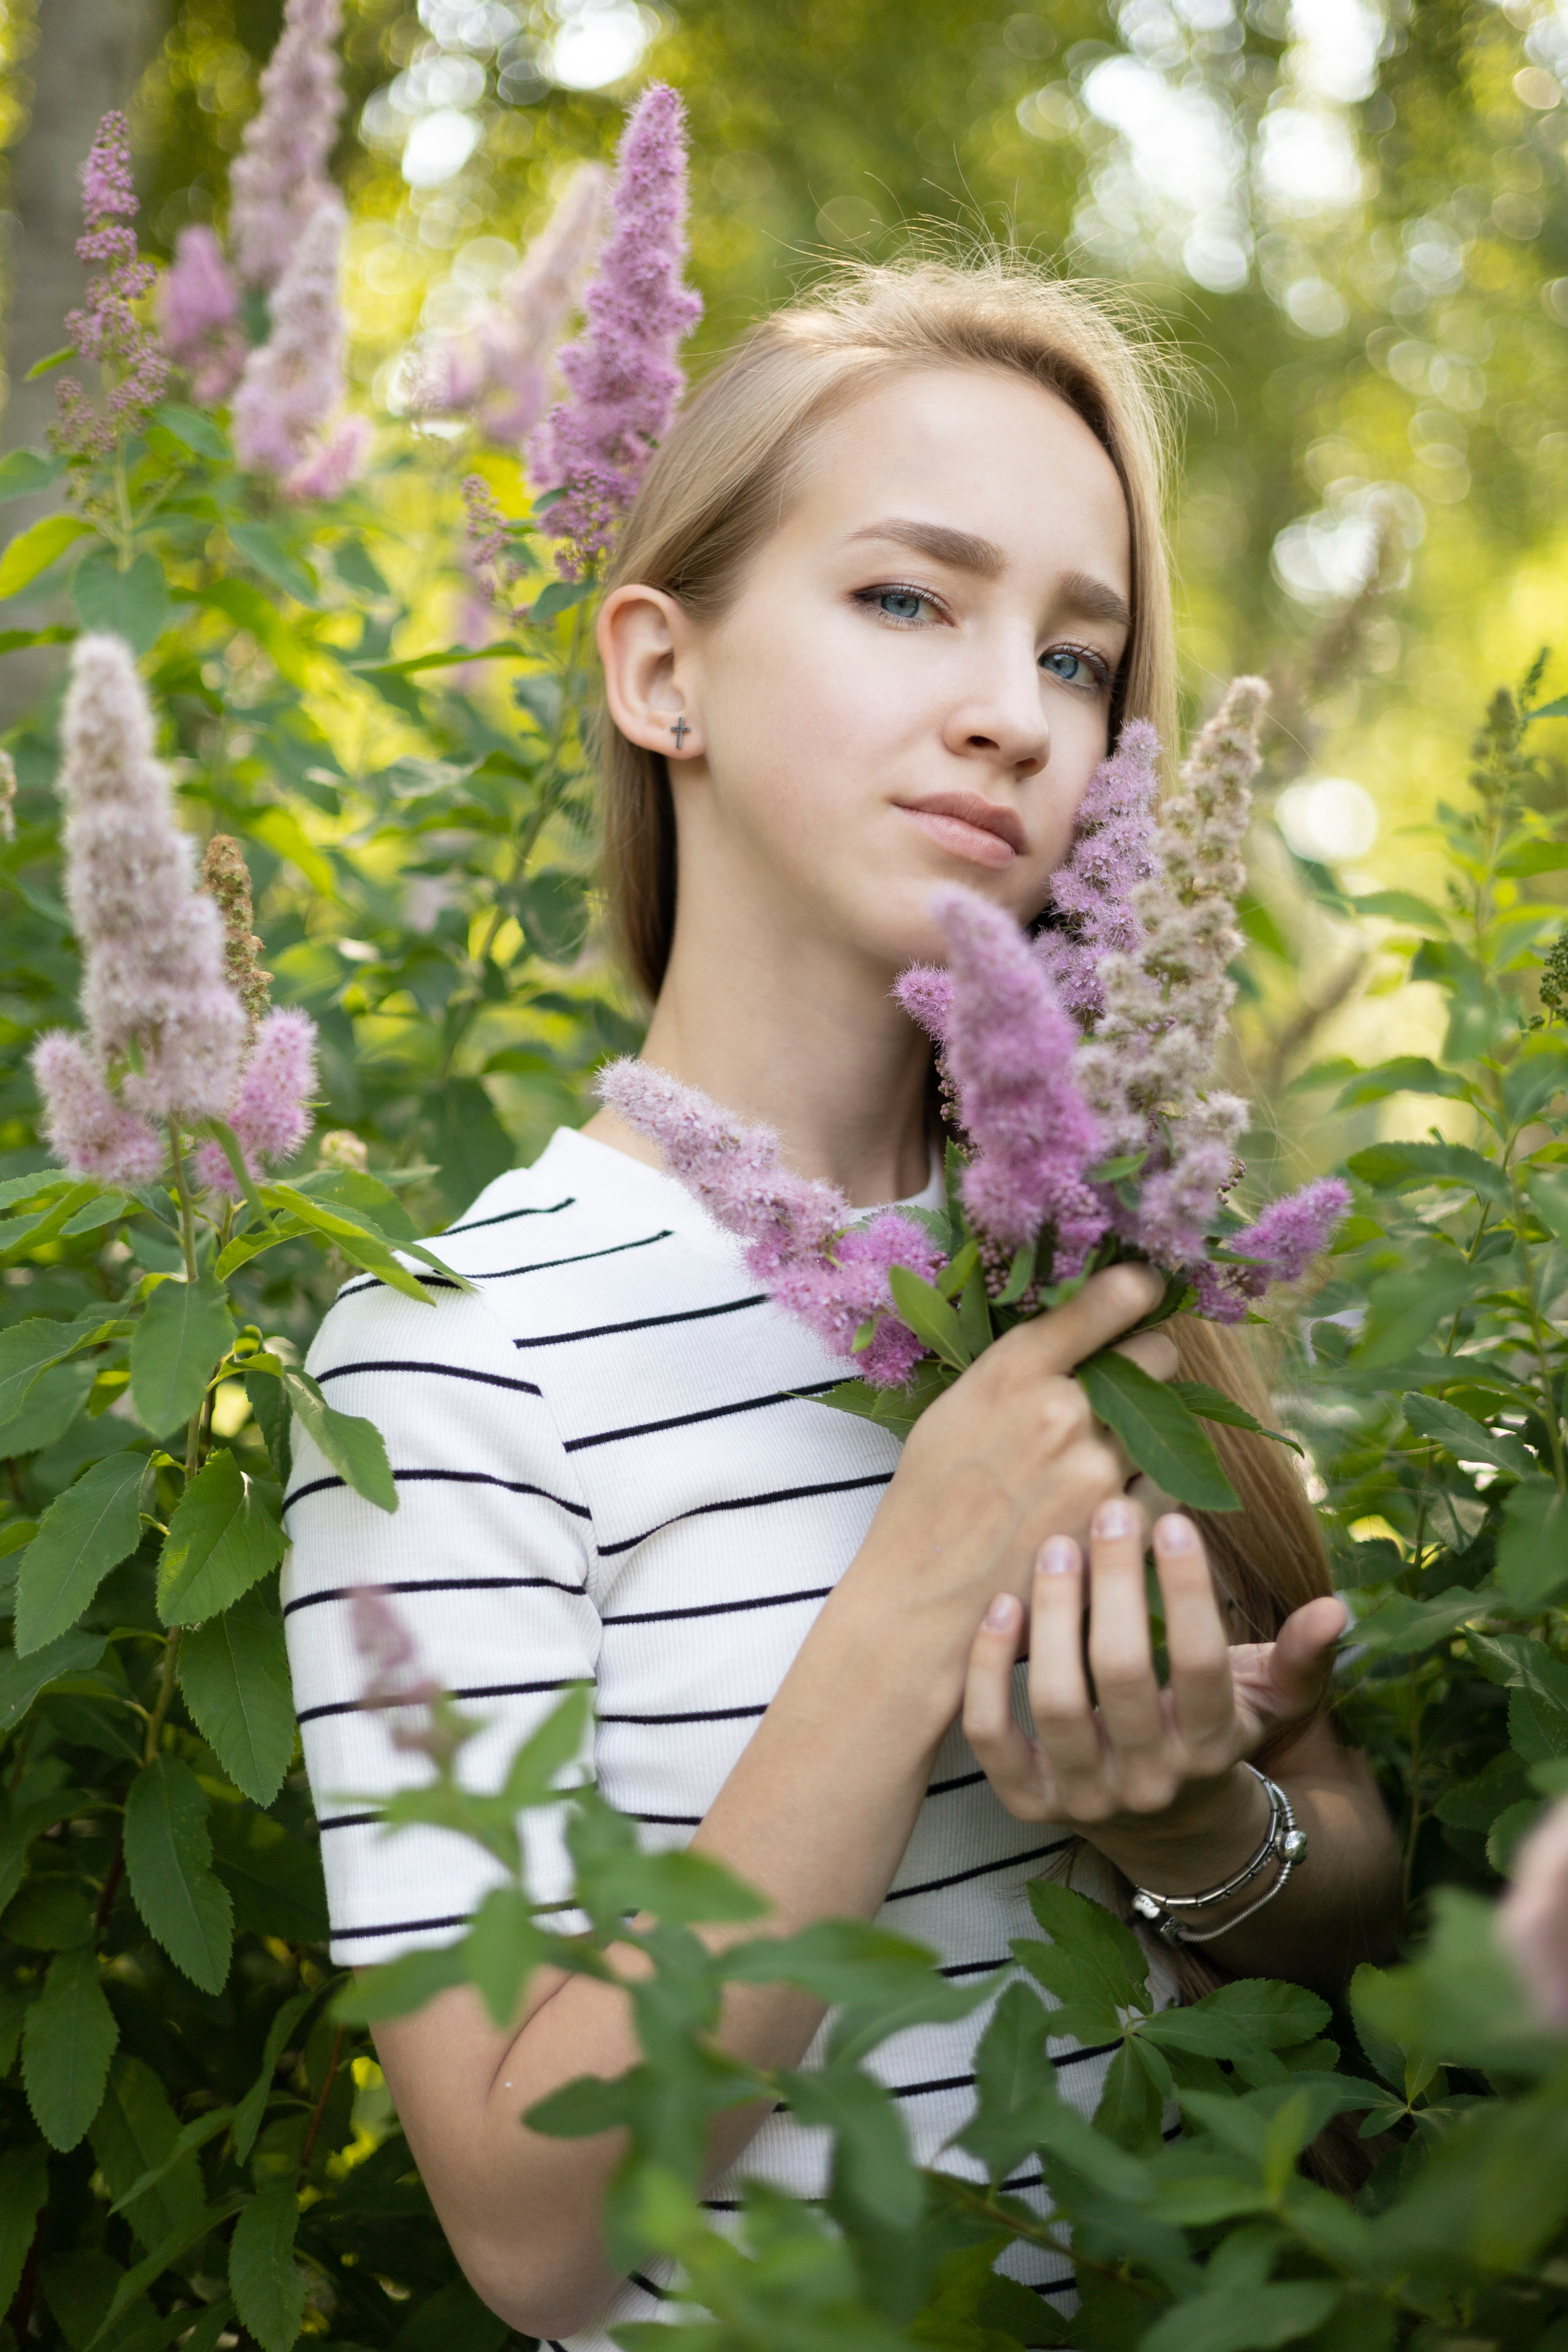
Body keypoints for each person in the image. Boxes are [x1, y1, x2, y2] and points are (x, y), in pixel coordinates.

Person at [281, 257, 1401, 2348]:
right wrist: (911, 1603)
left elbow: (1348, 1895)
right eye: (907, 598)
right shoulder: (450, 1359)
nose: (1014, 712)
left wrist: (1197, 1824)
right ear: (661, 671)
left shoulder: (1116, 1276)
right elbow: (533, 2233)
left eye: (1077, 656)